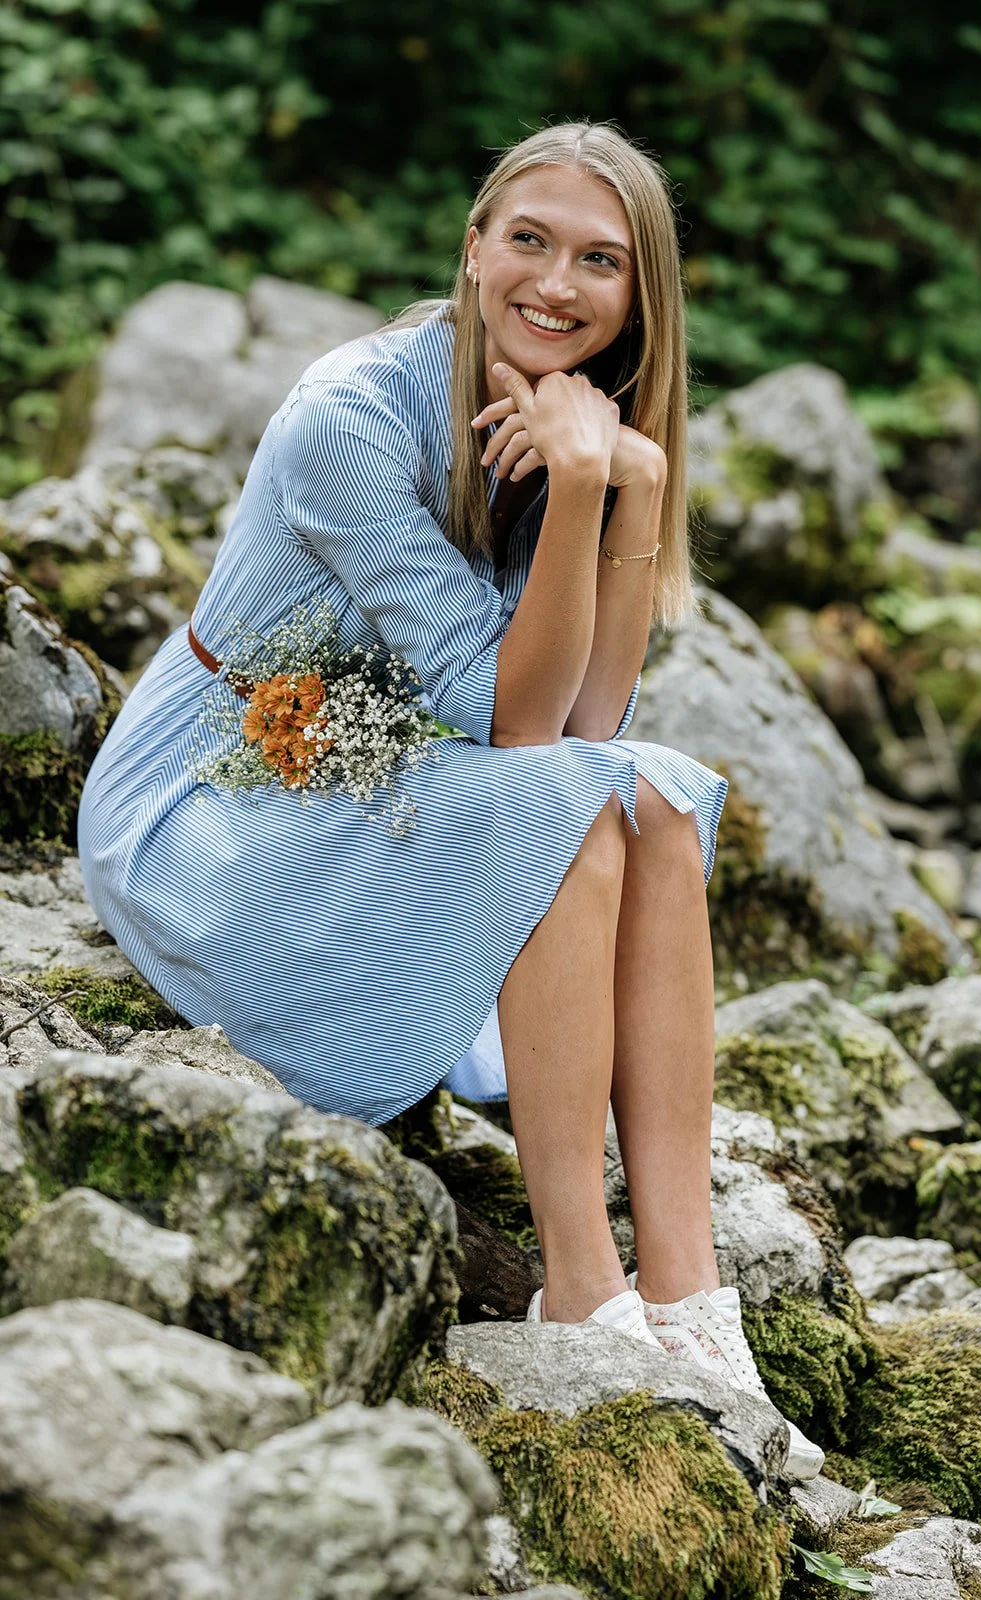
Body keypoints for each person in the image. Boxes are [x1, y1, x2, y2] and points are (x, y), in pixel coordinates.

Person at [77, 120, 824, 1479]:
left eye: (599, 260)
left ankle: (687, 1296)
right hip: (220, 793)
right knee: (575, 807)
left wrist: (627, 489)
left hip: (374, 768)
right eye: (528, 239)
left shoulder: (564, 423)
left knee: (653, 798)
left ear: (638, 299)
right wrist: (593, 476)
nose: (556, 281)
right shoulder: (349, 419)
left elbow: (597, 724)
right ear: (473, 248)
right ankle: (579, 1288)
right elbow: (522, 726)